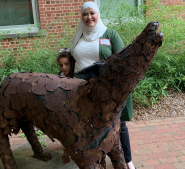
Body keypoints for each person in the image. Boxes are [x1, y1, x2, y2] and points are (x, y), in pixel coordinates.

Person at [70, 2, 135, 169]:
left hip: (106, 90)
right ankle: (93, 157)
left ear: (98, 13)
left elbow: (123, 62)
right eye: (85, 14)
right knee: (87, 123)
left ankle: (127, 160)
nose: (89, 17)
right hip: (82, 87)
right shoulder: (78, 36)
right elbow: (72, 60)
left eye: (92, 13)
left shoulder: (110, 34)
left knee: (118, 125)